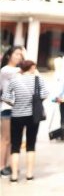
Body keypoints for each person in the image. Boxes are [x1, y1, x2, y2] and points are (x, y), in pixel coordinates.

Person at [1, 60, 49, 182]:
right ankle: (29, 174)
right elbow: (45, 94)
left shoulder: (15, 80)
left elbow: (5, 97)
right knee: (31, 145)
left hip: (17, 115)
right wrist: (36, 102)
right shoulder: (38, 80)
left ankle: (14, 176)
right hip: (33, 116)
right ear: (32, 67)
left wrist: (14, 104)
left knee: (15, 145)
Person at [0, 46, 24, 178]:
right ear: (9, 55)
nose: (19, 57)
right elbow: (25, 67)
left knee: (15, 140)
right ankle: (1, 166)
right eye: (17, 54)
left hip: (19, 108)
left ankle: (10, 165)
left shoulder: (19, 72)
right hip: (7, 108)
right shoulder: (5, 70)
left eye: (21, 55)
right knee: (5, 139)